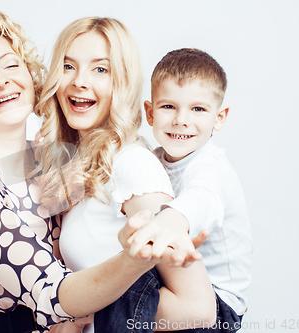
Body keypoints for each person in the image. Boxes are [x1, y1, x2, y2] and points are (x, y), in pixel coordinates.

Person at [0, 9, 181, 333]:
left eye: (11, 65)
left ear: (32, 77)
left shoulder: (53, 162)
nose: (0, 81)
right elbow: (48, 292)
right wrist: (134, 260)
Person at [34, 17, 216, 333]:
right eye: (68, 66)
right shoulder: (79, 163)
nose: (79, 81)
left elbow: (197, 309)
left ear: (122, 81)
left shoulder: (133, 165)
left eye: (100, 69)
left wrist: (82, 310)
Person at [140, 48, 254, 332]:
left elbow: (203, 197)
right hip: (178, 284)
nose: (181, 119)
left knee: (123, 295)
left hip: (218, 304)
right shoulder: (151, 160)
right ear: (150, 113)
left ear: (220, 117)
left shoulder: (211, 167)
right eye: (168, 107)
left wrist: (171, 220)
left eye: (198, 109)